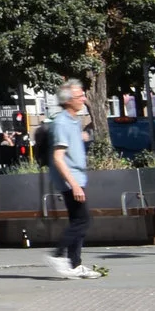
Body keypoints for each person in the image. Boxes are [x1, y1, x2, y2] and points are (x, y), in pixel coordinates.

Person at [48, 79, 96, 279]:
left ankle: (75, 264)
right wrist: (74, 185)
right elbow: (58, 158)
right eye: (79, 97)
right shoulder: (61, 123)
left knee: (79, 220)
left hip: (78, 178)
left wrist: (81, 137)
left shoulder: (73, 121)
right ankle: (58, 254)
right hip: (71, 180)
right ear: (68, 101)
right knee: (83, 220)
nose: (83, 99)